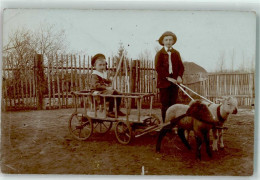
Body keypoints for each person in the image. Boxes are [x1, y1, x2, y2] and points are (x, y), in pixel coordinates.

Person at [155, 31, 184, 123]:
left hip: (174, 83)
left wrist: (179, 76)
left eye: (170, 40)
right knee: (165, 105)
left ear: (173, 41)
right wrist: (168, 78)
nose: (168, 42)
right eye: (166, 40)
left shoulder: (176, 53)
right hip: (164, 83)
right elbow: (158, 68)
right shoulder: (159, 54)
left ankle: (172, 123)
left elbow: (181, 67)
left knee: (173, 105)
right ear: (163, 41)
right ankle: (165, 124)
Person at [90, 53, 126, 118]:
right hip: (97, 92)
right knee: (113, 93)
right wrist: (107, 88)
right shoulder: (94, 75)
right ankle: (110, 111)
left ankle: (117, 110)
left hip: (103, 91)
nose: (102, 67)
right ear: (95, 66)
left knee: (119, 93)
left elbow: (105, 80)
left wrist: (109, 80)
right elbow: (96, 86)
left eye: (103, 65)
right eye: (100, 65)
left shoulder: (102, 73)